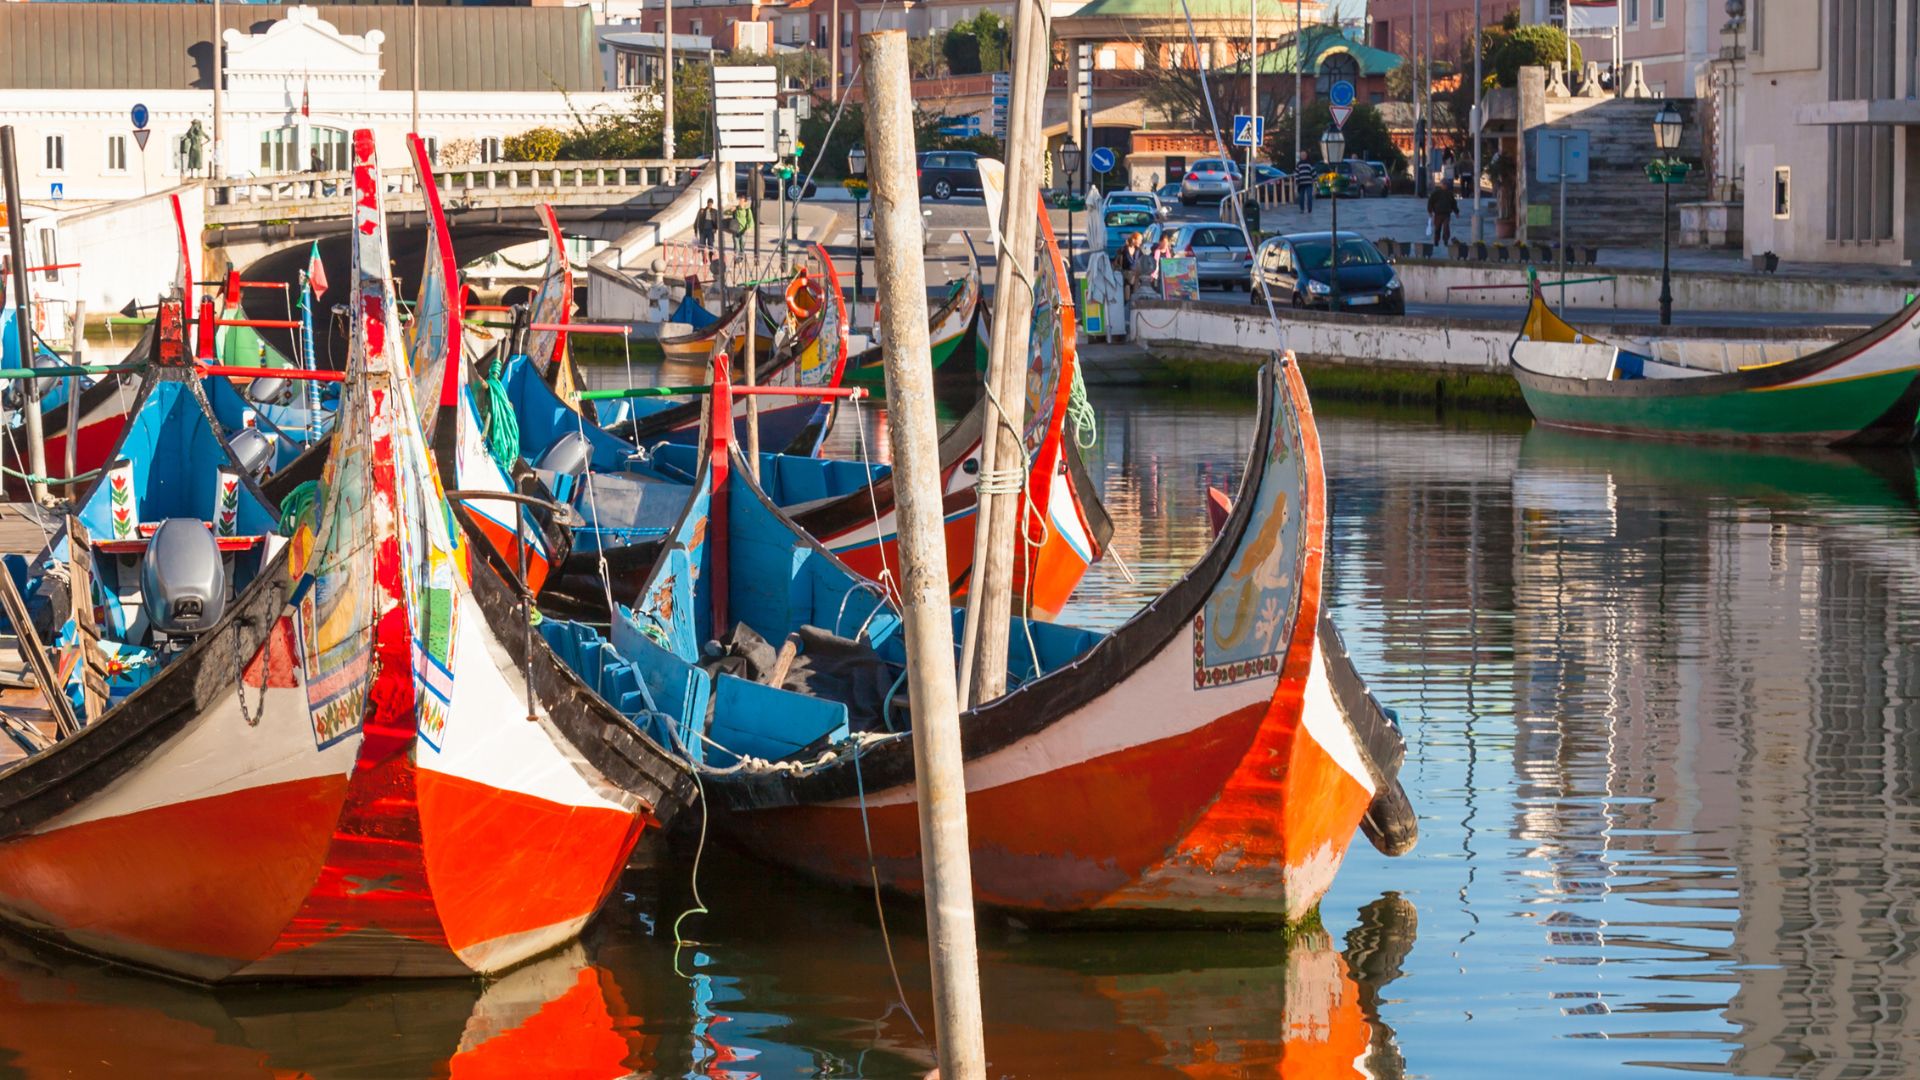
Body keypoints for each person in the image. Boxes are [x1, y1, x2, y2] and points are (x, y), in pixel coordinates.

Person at [1427, 181, 1460, 246]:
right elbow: (1430, 202)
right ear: (1441, 185)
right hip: (1438, 214)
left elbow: (1453, 203)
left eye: (1446, 184)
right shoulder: (1436, 193)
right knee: (1437, 228)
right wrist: (1430, 211)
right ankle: (1436, 241)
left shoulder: (1449, 193)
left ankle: (1445, 240)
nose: (1445, 186)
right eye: (1444, 184)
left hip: (1446, 214)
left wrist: (1456, 212)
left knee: (1446, 227)